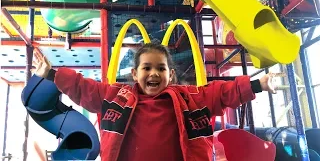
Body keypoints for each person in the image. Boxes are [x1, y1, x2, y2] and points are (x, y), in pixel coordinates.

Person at [32, 42, 276, 161]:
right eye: (146, 68)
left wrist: (259, 85)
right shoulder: (115, 97)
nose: (154, 73)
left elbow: (222, 92)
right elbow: (83, 88)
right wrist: (52, 75)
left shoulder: (189, 98)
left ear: (171, 75)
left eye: (161, 68)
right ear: (135, 74)